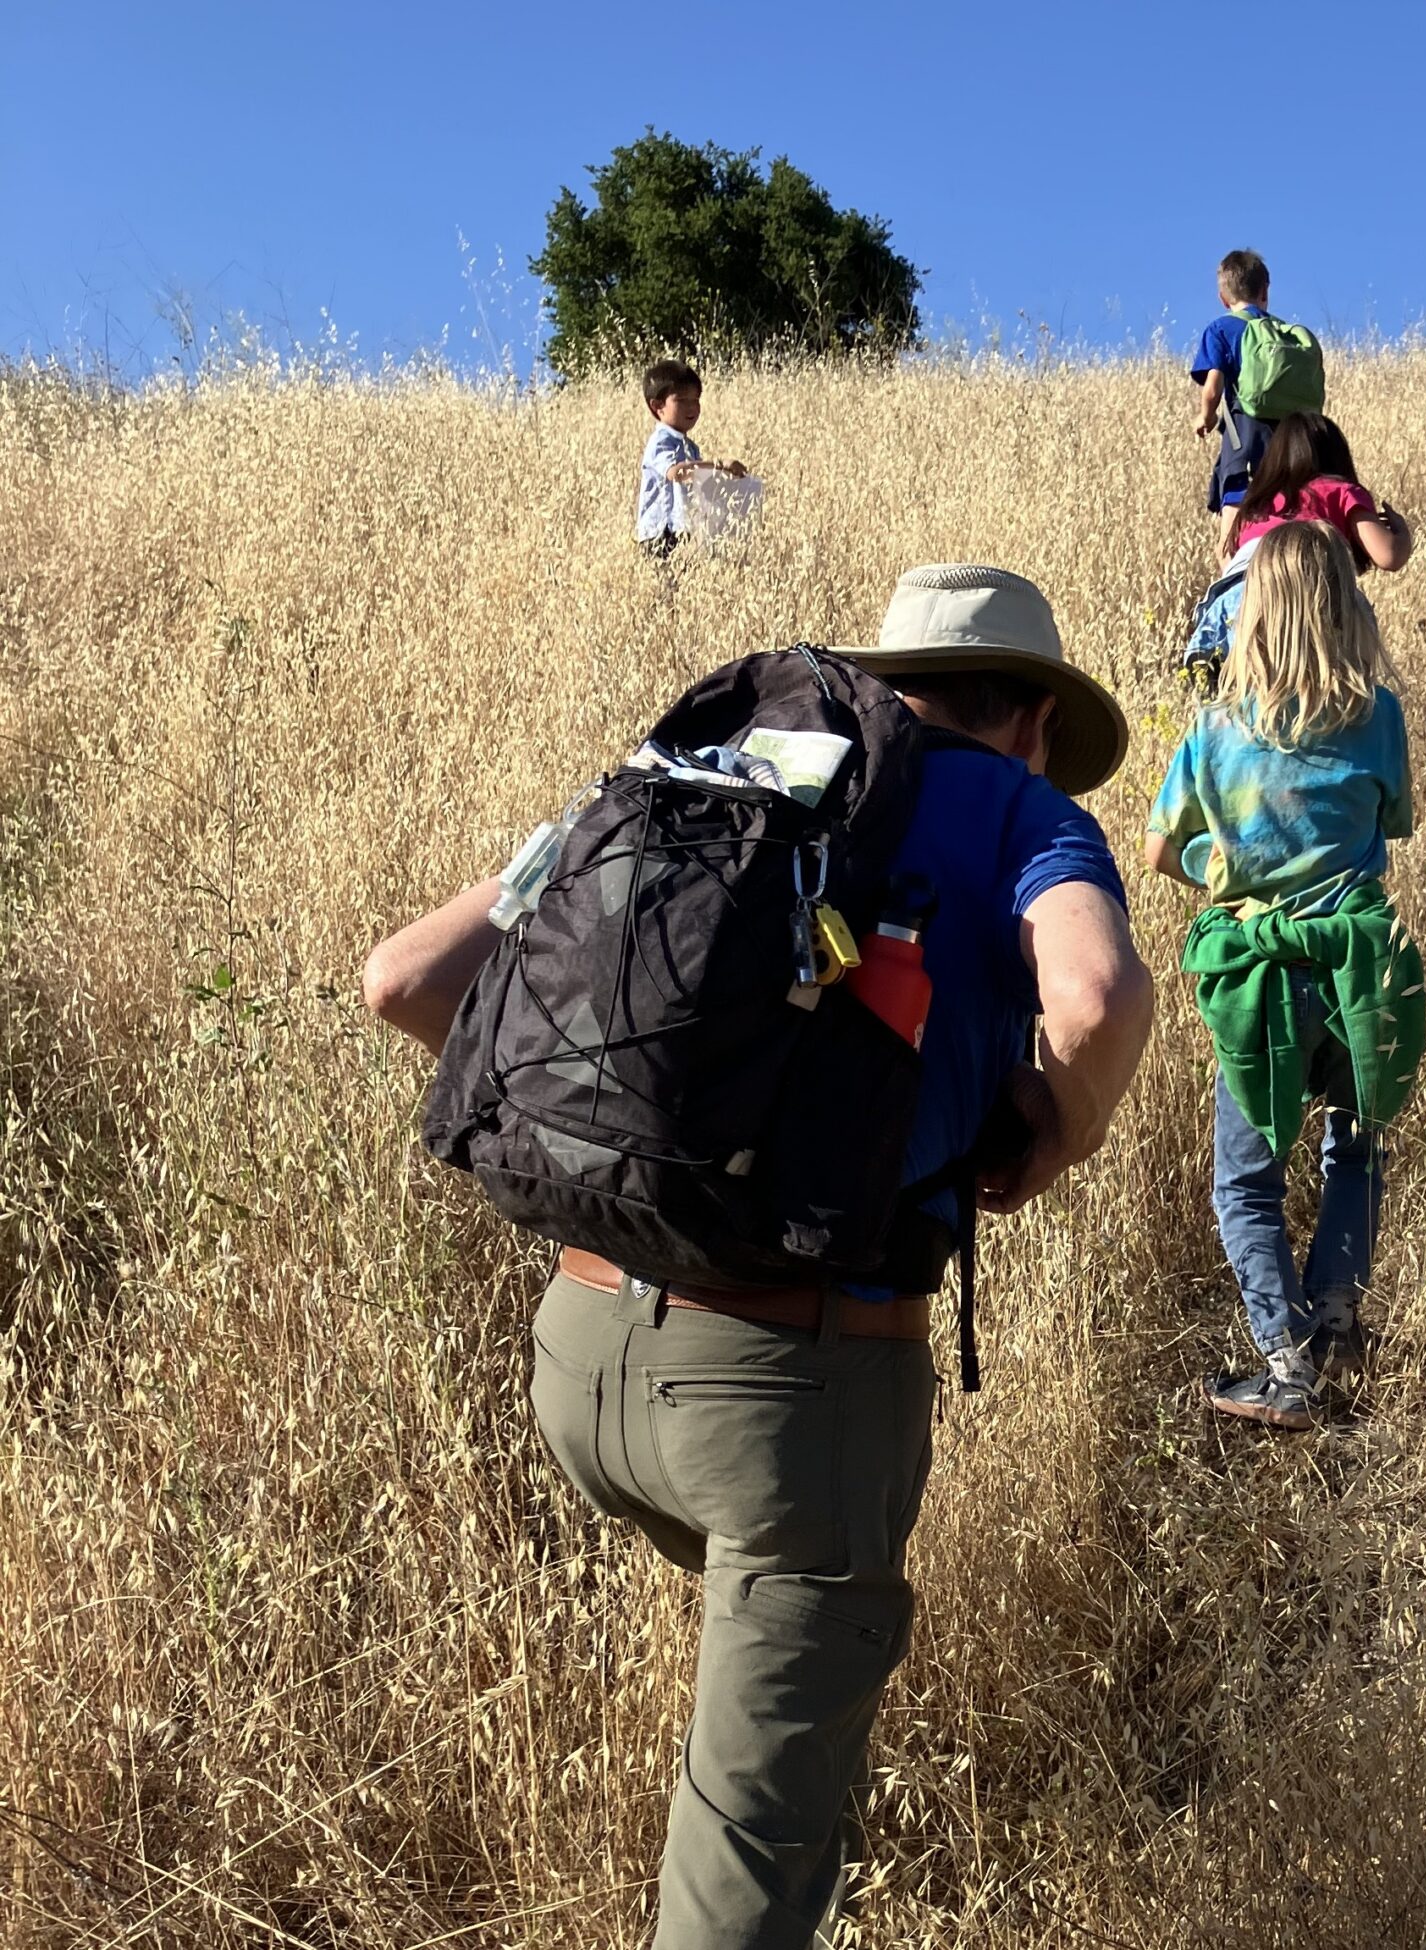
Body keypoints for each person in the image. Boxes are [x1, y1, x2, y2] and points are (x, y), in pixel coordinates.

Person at [362, 565, 1156, 1948]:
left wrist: (644, 1161)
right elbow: (1094, 998)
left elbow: (404, 981)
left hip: (581, 1360)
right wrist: (1056, 1131)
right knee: (743, 1889)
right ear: (1032, 719)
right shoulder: (1023, 812)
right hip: (791, 1400)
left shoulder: (713, 769)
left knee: (788, 1725)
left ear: (892, 679)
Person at [1143, 522, 1426, 1432]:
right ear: (1347, 609)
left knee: (1246, 1180)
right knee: (1356, 1144)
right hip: (1357, 971)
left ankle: (1285, 1362)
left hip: (1258, 976)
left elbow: (1159, 849)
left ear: (1252, 614)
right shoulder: (1380, 718)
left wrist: (1224, 870)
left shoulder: (1214, 732)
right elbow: (1394, 822)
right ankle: (1337, 1320)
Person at [1231, 412, 1413, 574]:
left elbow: (1229, 556)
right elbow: (1389, 556)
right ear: (1337, 456)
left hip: (1243, 583)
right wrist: (1402, 531)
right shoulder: (1342, 492)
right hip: (1304, 576)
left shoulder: (1257, 502)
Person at [1189, 249, 1279, 558]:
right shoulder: (1284, 333)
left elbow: (1213, 387)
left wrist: (1206, 417)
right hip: (1291, 449)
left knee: (1228, 547)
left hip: (1245, 446)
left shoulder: (1222, 329)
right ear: (1265, 292)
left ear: (1223, 298)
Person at [635, 358, 753, 560]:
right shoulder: (660, 442)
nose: (692, 407)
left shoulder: (690, 447)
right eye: (682, 401)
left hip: (682, 531)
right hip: (658, 534)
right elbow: (676, 472)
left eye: (696, 400)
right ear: (657, 406)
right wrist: (720, 465)